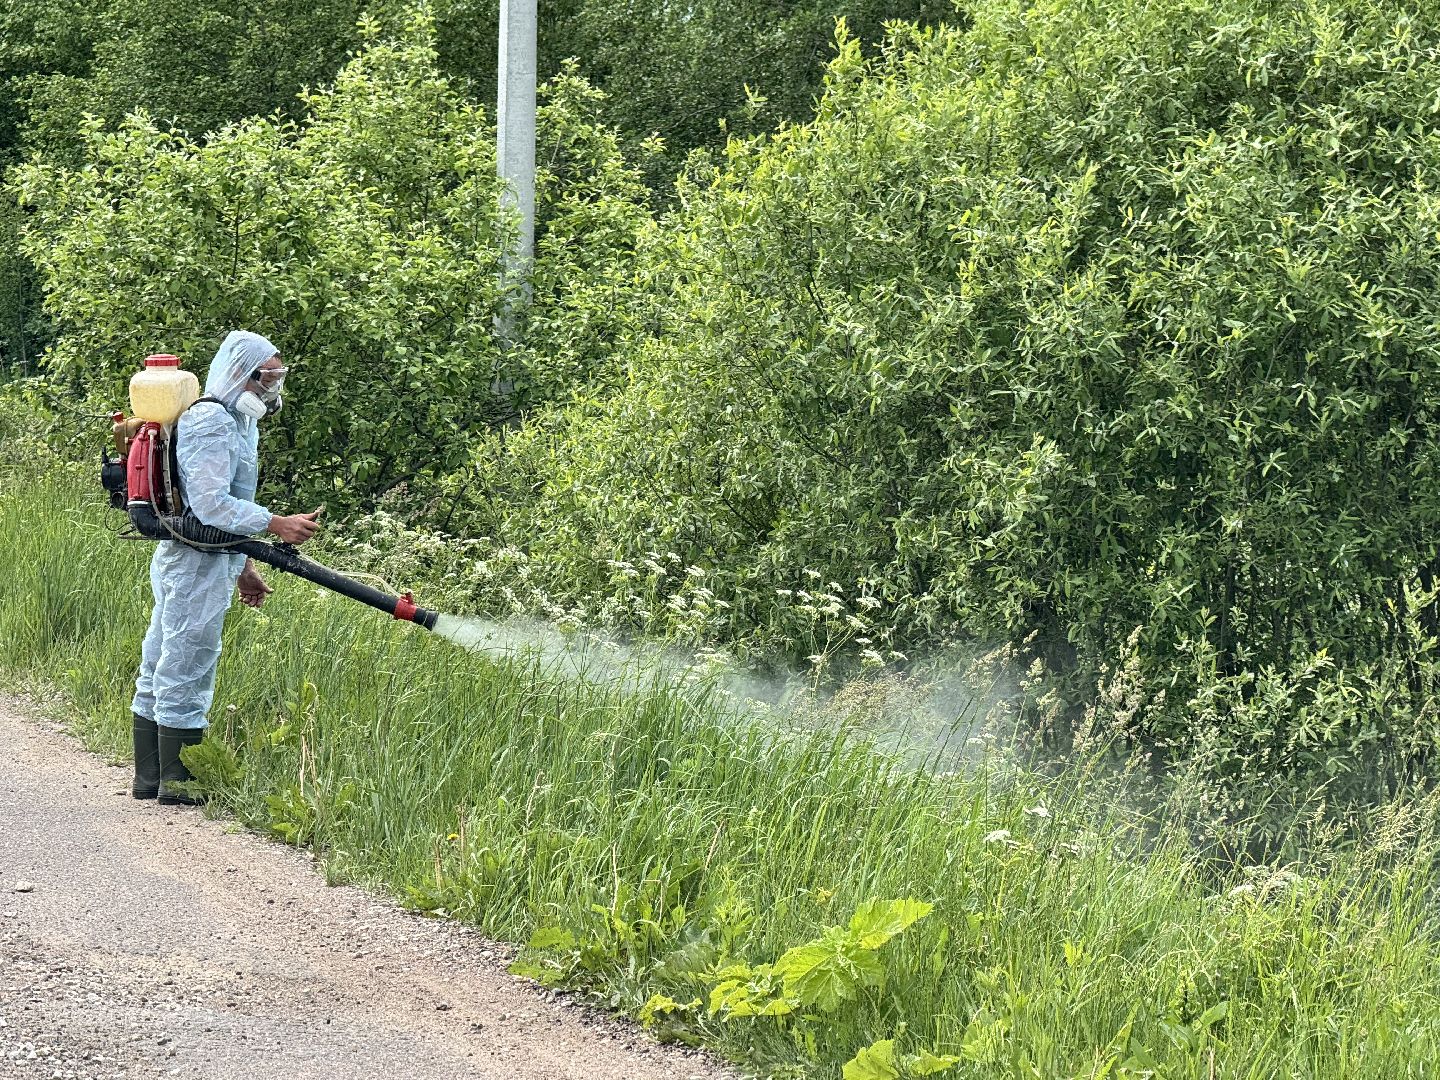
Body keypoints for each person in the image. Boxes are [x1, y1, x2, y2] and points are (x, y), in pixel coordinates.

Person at [130, 330, 322, 805]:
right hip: (191, 563)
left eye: (277, 377)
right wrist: (276, 524)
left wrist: (243, 567)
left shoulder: (240, 422)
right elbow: (213, 505)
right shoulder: (211, 421)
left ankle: (152, 779)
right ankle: (178, 783)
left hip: (206, 558)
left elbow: (227, 506)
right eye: (268, 378)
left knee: (164, 658)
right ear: (243, 373)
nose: (272, 389)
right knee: (184, 663)